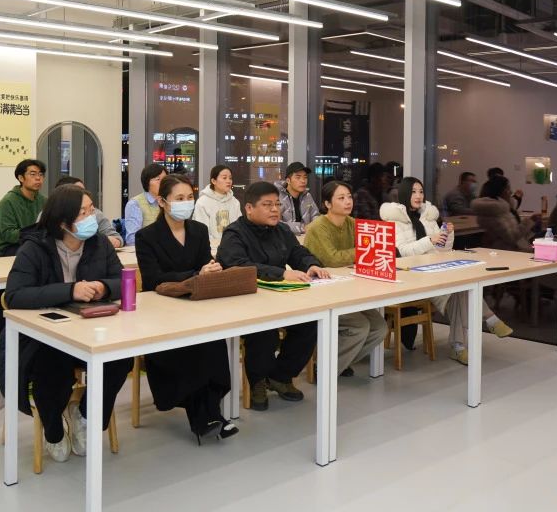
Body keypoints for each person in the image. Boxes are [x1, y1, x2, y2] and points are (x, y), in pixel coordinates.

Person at [0, 184, 133, 463]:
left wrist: (104, 287)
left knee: (120, 359)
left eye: (92, 210)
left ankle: (85, 416)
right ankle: (53, 428)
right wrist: (70, 291)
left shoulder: (98, 244)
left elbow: (122, 281)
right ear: (62, 222)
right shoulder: (35, 248)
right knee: (51, 363)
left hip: (91, 330)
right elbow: (15, 295)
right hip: (43, 335)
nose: (91, 217)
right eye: (83, 213)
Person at [133, 175, 238, 442]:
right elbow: (154, 279)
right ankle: (206, 417)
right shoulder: (147, 236)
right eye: (179, 198)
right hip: (162, 313)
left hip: (196, 305)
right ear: (162, 202)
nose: (186, 203)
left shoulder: (198, 230)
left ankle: (210, 414)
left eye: (190, 197)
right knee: (189, 350)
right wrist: (195, 273)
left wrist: (212, 269)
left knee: (213, 342)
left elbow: (205, 263)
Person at [216, 181, 329, 411]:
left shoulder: (282, 230)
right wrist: (282, 273)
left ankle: (280, 376)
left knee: (309, 323)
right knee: (264, 331)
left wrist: (311, 265)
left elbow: (298, 252)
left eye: (277, 204)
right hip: (246, 300)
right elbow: (239, 266)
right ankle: (257, 381)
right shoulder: (234, 234)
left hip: (278, 297)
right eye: (267, 205)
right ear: (249, 208)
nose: (275, 210)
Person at [381, 177, 512, 365]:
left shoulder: (428, 216)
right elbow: (402, 252)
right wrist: (430, 240)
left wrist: (447, 236)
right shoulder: (394, 221)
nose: (418, 196)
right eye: (413, 192)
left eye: (421, 191)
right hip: (411, 277)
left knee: (462, 289)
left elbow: (442, 251)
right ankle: (486, 322)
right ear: (404, 193)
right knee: (462, 289)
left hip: (433, 271)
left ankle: (459, 345)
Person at [304, 180, 388, 377]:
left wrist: (367, 250)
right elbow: (332, 259)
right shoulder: (318, 227)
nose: (348, 202)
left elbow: (374, 247)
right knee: (360, 326)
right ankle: (324, 370)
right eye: (341, 198)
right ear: (327, 204)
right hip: (322, 293)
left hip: (348, 289)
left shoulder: (352, 223)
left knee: (379, 327)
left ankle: (339, 362)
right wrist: (362, 251)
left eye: (349, 197)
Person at [0, 159, 47, 257]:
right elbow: (8, 234)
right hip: (8, 248)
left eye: (41, 174)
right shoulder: (8, 201)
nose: (38, 178)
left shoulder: (44, 200)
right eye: (33, 174)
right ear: (21, 178)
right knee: (37, 253)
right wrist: (34, 233)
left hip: (33, 243)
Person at [55, 176, 123, 248]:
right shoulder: (55, 217)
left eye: (83, 191)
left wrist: (109, 241)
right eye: (77, 192)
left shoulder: (96, 214)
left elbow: (116, 238)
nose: (83, 195)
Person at [472, 176, 533, 252]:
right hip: (507, 252)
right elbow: (512, 238)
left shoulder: (502, 209)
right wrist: (529, 221)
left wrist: (532, 227)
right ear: (500, 191)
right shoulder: (494, 212)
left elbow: (518, 236)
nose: (511, 192)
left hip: (512, 249)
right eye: (508, 188)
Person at [193, 164, 239, 244]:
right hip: (210, 246)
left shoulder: (234, 202)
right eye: (224, 178)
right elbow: (202, 231)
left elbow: (239, 227)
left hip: (233, 245)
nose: (228, 181)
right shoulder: (202, 202)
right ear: (213, 181)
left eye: (230, 178)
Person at [123, 163, 167, 245]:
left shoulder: (169, 201)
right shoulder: (135, 204)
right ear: (147, 182)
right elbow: (132, 239)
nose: (163, 182)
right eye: (158, 179)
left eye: (165, 179)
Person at [276, 161, 320, 235]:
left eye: (305, 177)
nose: (303, 181)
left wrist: (315, 226)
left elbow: (316, 216)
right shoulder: (277, 197)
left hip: (306, 238)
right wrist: (302, 227)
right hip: (285, 239)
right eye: (298, 177)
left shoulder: (307, 196)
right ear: (288, 180)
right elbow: (277, 223)